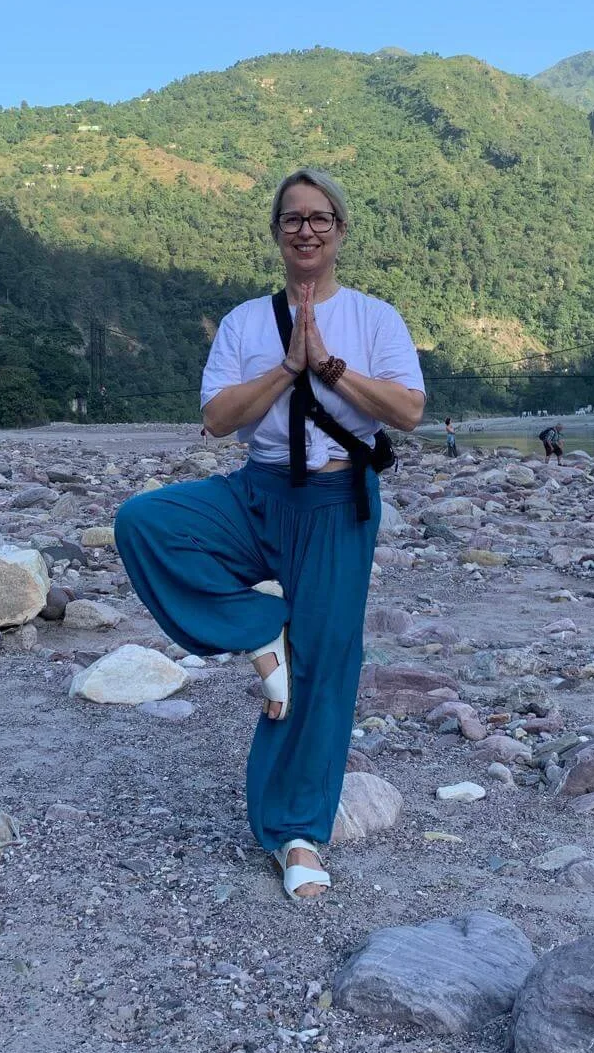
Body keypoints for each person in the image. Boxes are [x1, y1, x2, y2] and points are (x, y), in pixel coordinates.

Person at [114, 169, 425, 902]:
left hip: (337, 500)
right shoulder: (245, 323)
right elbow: (218, 419)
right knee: (145, 523)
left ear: (341, 231)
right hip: (254, 492)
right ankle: (260, 632)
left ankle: (295, 833)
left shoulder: (375, 319)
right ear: (276, 232)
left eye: (320, 218)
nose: (306, 230)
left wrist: (330, 368)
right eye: (293, 219)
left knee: (325, 667)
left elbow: (407, 411)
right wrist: (288, 368)